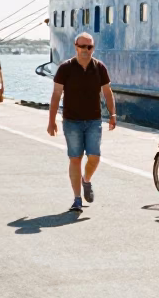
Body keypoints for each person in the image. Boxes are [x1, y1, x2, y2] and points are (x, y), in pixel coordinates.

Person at [48, 32, 117, 213]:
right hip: (71, 122)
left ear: (93, 48)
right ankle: (77, 199)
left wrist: (113, 114)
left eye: (89, 47)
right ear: (75, 46)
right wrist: (51, 121)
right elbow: (56, 95)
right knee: (75, 158)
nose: (86, 50)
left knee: (94, 157)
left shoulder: (99, 68)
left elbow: (107, 92)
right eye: (82, 46)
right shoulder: (65, 68)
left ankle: (86, 180)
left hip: (94, 120)